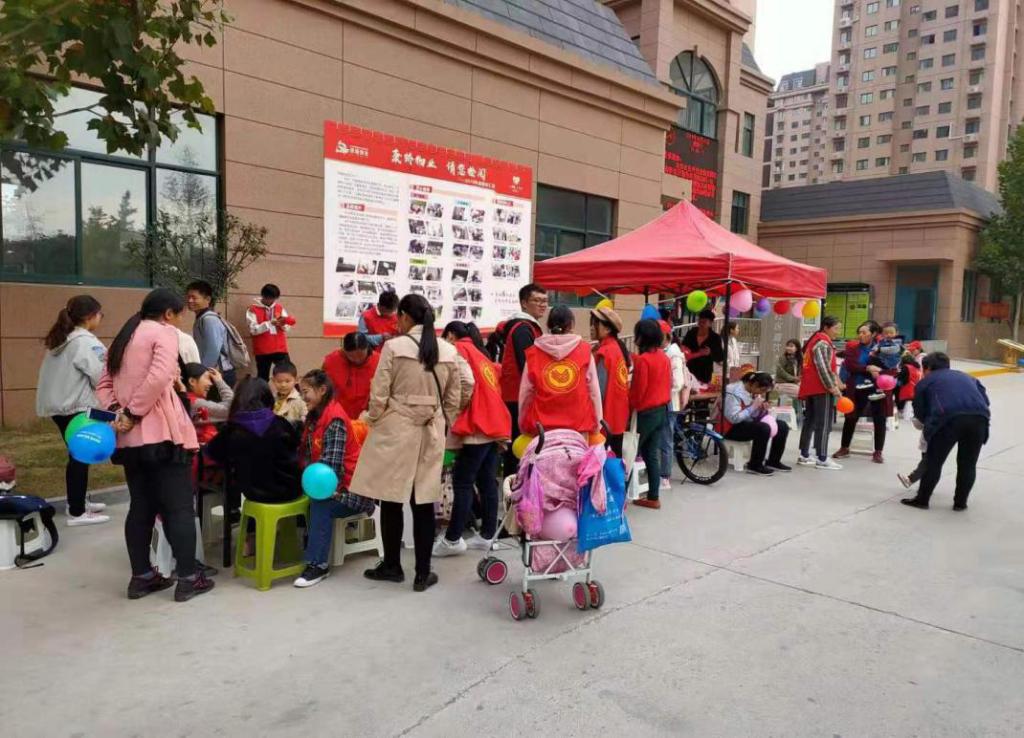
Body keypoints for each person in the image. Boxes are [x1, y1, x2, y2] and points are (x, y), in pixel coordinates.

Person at [97, 288, 214, 602]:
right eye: (179, 315)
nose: (179, 321)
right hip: (163, 436)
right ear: (168, 314)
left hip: (128, 439)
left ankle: (142, 576)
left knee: (141, 507)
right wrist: (133, 412)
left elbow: (104, 383)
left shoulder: (124, 337)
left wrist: (118, 412)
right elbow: (160, 375)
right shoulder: (163, 333)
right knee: (178, 508)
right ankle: (188, 578)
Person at [351, 294, 461, 592]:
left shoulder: (394, 346)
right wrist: (444, 419)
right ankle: (423, 573)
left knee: (390, 499)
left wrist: (374, 418)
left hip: (396, 427)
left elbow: (379, 392)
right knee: (423, 500)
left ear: (403, 316)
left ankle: (392, 566)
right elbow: (460, 390)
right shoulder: (449, 350)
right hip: (431, 429)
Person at [433, 321, 511, 557]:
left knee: (463, 482)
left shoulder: (457, 350)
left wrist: (457, 409)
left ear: (451, 335)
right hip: (494, 423)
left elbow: (466, 382)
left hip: (477, 425)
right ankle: (487, 535)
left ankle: (453, 539)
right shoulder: (479, 353)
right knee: (486, 481)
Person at [292, 370, 376, 588]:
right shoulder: (315, 417)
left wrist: (320, 490)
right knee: (308, 498)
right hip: (329, 485)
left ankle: (318, 564)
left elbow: (332, 468)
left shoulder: (334, 420)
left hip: (352, 491)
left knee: (321, 504)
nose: (303, 397)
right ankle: (312, 549)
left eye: (306, 392)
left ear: (322, 390)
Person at [35, 295, 110, 526]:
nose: (101, 318)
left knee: (78, 455)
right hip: (77, 406)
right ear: (90, 316)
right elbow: (102, 376)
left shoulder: (61, 340)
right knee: (81, 456)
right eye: (100, 314)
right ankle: (77, 511)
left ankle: (76, 502)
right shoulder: (86, 342)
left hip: (60, 407)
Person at [900, 353, 990, 511]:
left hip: (947, 420)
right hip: (979, 419)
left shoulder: (925, 382)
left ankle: (922, 500)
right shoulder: (969, 378)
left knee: (934, 461)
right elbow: (985, 400)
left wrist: (928, 424)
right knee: (968, 464)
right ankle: (960, 503)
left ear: (927, 368)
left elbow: (920, 412)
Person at [206, 377, 301, 505]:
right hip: (289, 492)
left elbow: (212, 452)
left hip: (252, 495)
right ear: (267, 397)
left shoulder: (232, 429)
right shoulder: (280, 424)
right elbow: (296, 447)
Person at [518, 305, 602, 437]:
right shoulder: (585, 351)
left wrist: (522, 424)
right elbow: (594, 392)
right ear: (571, 325)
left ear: (548, 325)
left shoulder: (533, 353)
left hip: (542, 428)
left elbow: (526, 393)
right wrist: (598, 424)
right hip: (579, 425)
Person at [499, 283, 547, 475]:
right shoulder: (523, 329)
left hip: (518, 395)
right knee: (518, 446)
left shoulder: (527, 327)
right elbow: (527, 365)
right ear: (524, 303)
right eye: (537, 300)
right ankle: (514, 485)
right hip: (518, 396)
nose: (542, 305)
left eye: (544, 301)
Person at [834, 321, 895, 464]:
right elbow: (850, 365)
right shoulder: (852, 347)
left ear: (873, 334)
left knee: (879, 418)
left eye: (864, 332)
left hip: (878, 387)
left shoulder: (884, 347)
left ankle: (878, 452)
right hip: (857, 386)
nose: (860, 335)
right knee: (851, 417)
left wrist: (879, 370)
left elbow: (892, 367)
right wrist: (868, 369)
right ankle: (844, 447)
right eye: (859, 332)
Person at [630, 319, 672, 510]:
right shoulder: (663, 357)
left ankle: (620, 497)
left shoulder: (643, 360)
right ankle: (653, 496)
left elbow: (638, 393)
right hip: (661, 410)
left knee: (629, 453)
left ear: (641, 337)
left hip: (645, 413)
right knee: (651, 454)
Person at [797, 316, 844, 470]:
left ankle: (804, 454)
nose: (838, 332)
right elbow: (822, 368)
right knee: (824, 424)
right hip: (821, 388)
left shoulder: (815, 341)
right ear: (826, 327)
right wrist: (832, 387)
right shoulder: (822, 343)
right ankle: (822, 458)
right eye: (836, 328)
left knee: (810, 421)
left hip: (811, 387)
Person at [721, 372, 791, 475]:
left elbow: (752, 415)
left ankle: (773, 461)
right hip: (729, 428)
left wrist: (760, 409)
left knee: (782, 426)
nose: (762, 393)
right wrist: (753, 407)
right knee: (763, 428)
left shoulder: (751, 391)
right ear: (754, 384)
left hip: (744, 423)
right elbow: (734, 418)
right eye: (762, 390)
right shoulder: (733, 391)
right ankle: (755, 465)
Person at [590, 306, 631, 458]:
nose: (591, 328)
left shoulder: (605, 352)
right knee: (616, 459)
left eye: (595, 324)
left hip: (605, 418)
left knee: (602, 462)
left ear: (607, 329)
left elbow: (598, 391)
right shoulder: (616, 347)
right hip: (618, 416)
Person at [186, 280, 236, 388]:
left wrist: (202, 373)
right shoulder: (202, 318)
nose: (190, 300)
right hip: (214, 372)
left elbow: (213, 350)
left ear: (207, 299)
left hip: (218, 374)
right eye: (188, 297)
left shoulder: (209, 320)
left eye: (194, 297)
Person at [322, 331, 381, 420]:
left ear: (368, 349)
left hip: (368, 418)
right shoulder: (331, 361)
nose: (357, 360)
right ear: (344, 351)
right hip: (338, 416)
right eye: (351, 356)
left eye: (361, 355)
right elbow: (323, 387)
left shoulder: (379, 361)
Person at [660, 320, 689, 492]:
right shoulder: (666, 352)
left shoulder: (673, 354)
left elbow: (677, 382)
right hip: (664, 401)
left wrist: (659, 389)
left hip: (669, 402)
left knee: (666, 439)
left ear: (666, 336)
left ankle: (665, 477)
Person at [246, 283, 296, 381]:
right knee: (263, 377)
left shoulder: (279, 308)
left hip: (280, 347)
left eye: (274, 298)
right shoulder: (252, 309)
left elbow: (287, 328)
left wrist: (282, 324)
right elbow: (253, 330)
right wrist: (269, 323)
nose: (272, 301)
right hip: (262, 348)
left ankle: (287, 390)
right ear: (263, 296)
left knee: (287, 373)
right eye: (270, 298)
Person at [178, 363, 233, 445]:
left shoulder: (187, 399)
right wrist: (220, 382)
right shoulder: (194, 403)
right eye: (207, 378)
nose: (211, 383)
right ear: (192, 381)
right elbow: (232, 409)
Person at [681, 308, 724, 384]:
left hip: (705, 373)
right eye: (699, 321)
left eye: (704, 322)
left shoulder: (715, 337)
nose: (701, 324)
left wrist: (710, 352)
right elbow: (683, 347)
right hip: (689, 370)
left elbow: (720, 357)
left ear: (710, 323)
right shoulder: (691, 333)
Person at [271, 361, 307, 426]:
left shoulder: (300, 400)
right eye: (279, 381)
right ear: (273, 380)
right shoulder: (273, 398)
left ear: (296, 380)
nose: (283, 385)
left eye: (287, 381)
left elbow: (306, 419)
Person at [775, 338, 803, 417]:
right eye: (787, 346)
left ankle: (798, 414)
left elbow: (801, 372)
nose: (788, 348)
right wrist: (794, 378)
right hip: (782, 383)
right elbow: (780, 372)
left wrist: (799, 379)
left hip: (794, 384)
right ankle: (797, 414)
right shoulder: (783, 358)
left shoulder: (799, 359)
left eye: (791, 346)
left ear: (797, 348)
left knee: (805, 391)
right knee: (801, 392)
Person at [895, 351, 922, 419]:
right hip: (915, 387)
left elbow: (901, 378)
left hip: (907, 388)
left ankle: (901, 411)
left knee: (896, 389)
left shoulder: (906, 367)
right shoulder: (917, 367)